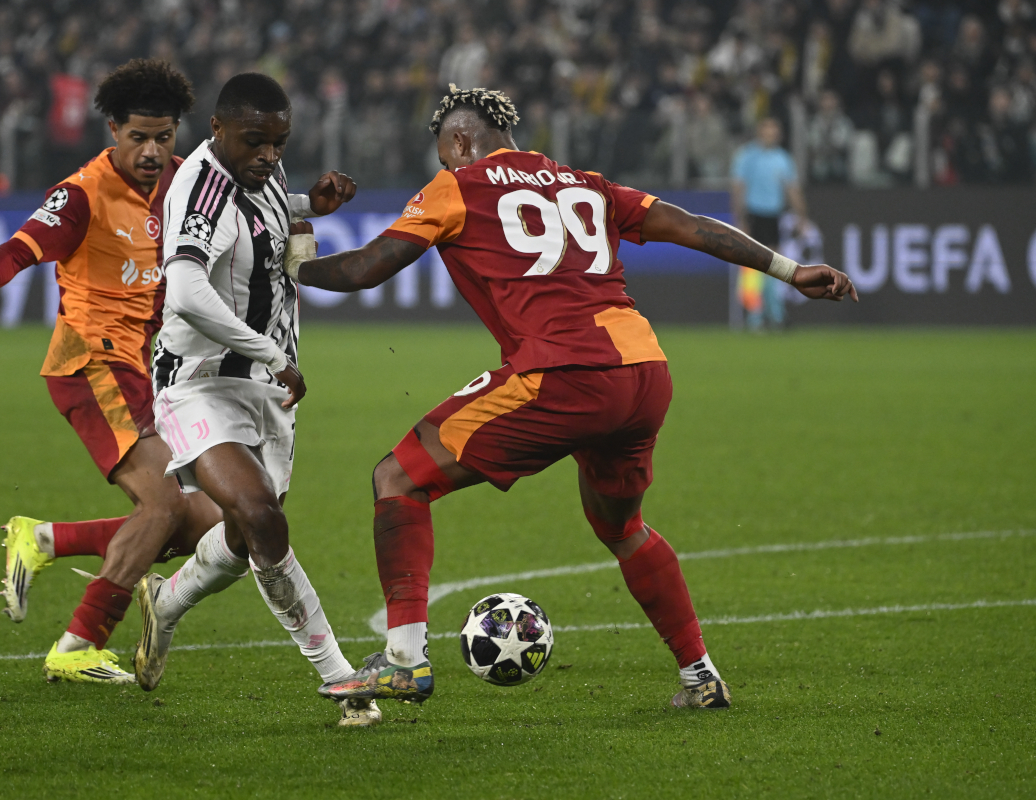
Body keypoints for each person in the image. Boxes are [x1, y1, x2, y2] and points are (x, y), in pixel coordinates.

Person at [282, 85, 857, 710]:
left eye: (445, 153)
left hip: (563, 373)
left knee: (398, 477)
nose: (443, 166)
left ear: (462, 140)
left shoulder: (458, 186)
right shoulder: (587, 183)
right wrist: (789, 270)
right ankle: (701, 676)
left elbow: (367, 268)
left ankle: (403, 661)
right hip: (642, 370)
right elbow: (691, 227)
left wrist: (299, 261)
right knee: (622, 525)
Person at [0, 59, 223, 684]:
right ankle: (78, 645)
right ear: (113, 130)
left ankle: (45, 540)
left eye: (164, 137)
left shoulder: (186, 184)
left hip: (151, 372)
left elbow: (251, 208)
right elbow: (22, 245)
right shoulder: (82, 194)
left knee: (212, 525)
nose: (152, 152)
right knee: (160, 506)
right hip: (91, 363)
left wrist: (311, 204)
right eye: (138, 138)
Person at [131, 73, 379, 727]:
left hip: (267, 386)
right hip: (199, 380)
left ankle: (165, 602)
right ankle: (341, 679)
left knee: (244, 536)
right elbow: (185, 292)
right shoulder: (202, 187)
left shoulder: (260, 169)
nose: (269, 154)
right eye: (255, 142)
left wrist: (310, 207)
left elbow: (273, 224)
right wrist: (272, 353)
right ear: (216, 131)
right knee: (262, 515)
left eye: (279, 142)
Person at [730, 117, 808, 330]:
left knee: (773, 266)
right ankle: (756, 316)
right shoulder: (747, 156)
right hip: (754, 214)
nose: (770, 134)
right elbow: (738, 188)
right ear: (759, 131)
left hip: (773, 215)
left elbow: (792, 189)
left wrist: (801, 217)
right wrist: (741, 218)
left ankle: (775, 313)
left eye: (774, 130)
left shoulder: (783, 159)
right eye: (767, 129)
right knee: (754, 266)